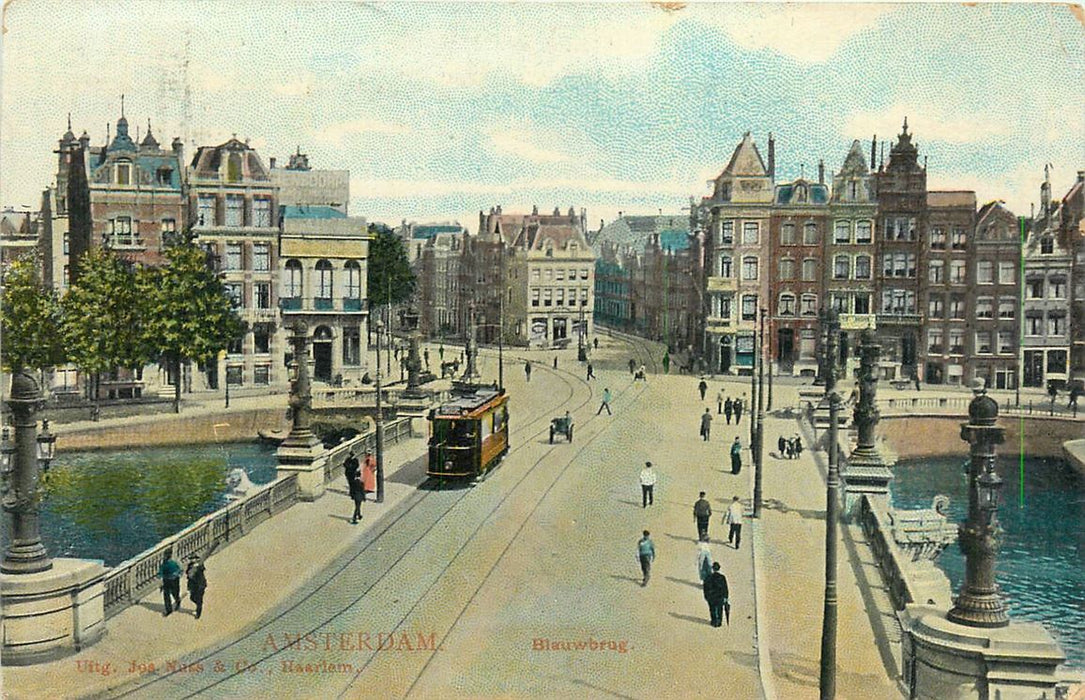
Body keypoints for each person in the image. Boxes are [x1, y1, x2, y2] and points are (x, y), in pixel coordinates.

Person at [703, 562, 730, 627]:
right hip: (720, 597)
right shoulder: (722, 577)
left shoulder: (708, 577)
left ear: (713, 569)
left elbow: (705, 588)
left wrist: (706, 596)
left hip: (711, 597)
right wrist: (726, 597)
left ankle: (714, 621)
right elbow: (725, 588)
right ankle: (719, 621)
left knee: (712, 609)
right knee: (719, 609)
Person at [158, 548, 182, 616]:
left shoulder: (174, 561)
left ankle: (178, 601)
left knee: (175, 593)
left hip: (174, 580)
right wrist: (160, 577)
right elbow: (161, 570)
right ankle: (168, 610)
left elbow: (180, 569)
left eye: (166, 555)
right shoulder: (164, 563)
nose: (165, 556)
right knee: (166, 595)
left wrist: (177, 573)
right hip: (166, 580)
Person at [186, 554, 208, 620]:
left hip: (200, 585)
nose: (191, 560)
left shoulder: (200, 565)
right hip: (193, 585)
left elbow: (202, 569)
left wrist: (197, 567)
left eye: (193, 558)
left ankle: (198, 613)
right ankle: (199, 605)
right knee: (192, 597)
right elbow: (187, 572)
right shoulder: (190, 565)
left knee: (199, 599)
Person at [344, 451, 363, 523]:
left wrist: (350, 467)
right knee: (357, 506)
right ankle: (355, 517)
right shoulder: (361, 483)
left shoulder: (355, 460)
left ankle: (359, 515)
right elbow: (345, 464)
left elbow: (355, 465)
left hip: (351, 473)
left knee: (357, 505)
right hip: (349, 473)